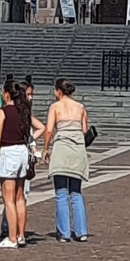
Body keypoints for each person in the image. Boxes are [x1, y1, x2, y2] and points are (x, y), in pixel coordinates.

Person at [44, 77, 90, 243]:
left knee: (61, 192)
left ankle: (64, 233)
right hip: (77, 149)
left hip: (61, 148)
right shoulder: (80, 107)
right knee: (76, 192)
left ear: (59, 91)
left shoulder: (55, 107)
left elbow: (49, 130)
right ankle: (81, 231)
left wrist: (46, 148)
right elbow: (85, 130)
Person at [0, 77, 33, 248]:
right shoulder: (24, 110)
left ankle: (12, 237)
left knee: (8, 199)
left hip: (9, 152)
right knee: (20, 197)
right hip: (22, 151)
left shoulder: (4, 111)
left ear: (7, 94)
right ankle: (21, 235)